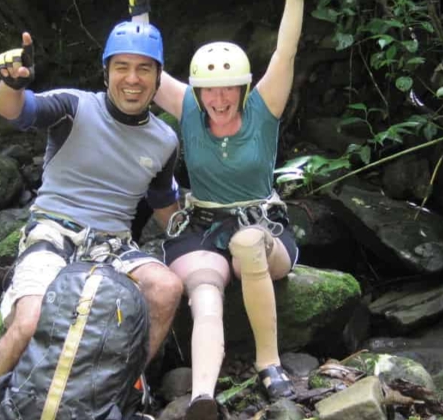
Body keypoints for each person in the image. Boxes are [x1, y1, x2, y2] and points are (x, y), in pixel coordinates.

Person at [0, 22, 184, 420]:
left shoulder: (164, 140)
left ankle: (123, 391)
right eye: (122, 67)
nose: (132, 79)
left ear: (157, 78)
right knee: (30, 322)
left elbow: (163, 200)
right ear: (106, 71)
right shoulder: (74, 106)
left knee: (167, 288)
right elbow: (15, 111)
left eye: (144, 69)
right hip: (53, 230)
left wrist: (199, 236)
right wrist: (12, 84)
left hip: (114, 243)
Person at [138, 0, 305, 418]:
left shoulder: (264, 108)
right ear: (198, 91)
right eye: (210, 89)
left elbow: (285, 50)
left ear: (244, 88)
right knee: (205, 291)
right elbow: (147, 67)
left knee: (248, 243)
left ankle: (268, 364)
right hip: (203, 229)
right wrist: (138, 12)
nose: (218, 98)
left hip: (263, 230)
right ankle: (201, 397)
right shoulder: (190, 108)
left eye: (228, 87)